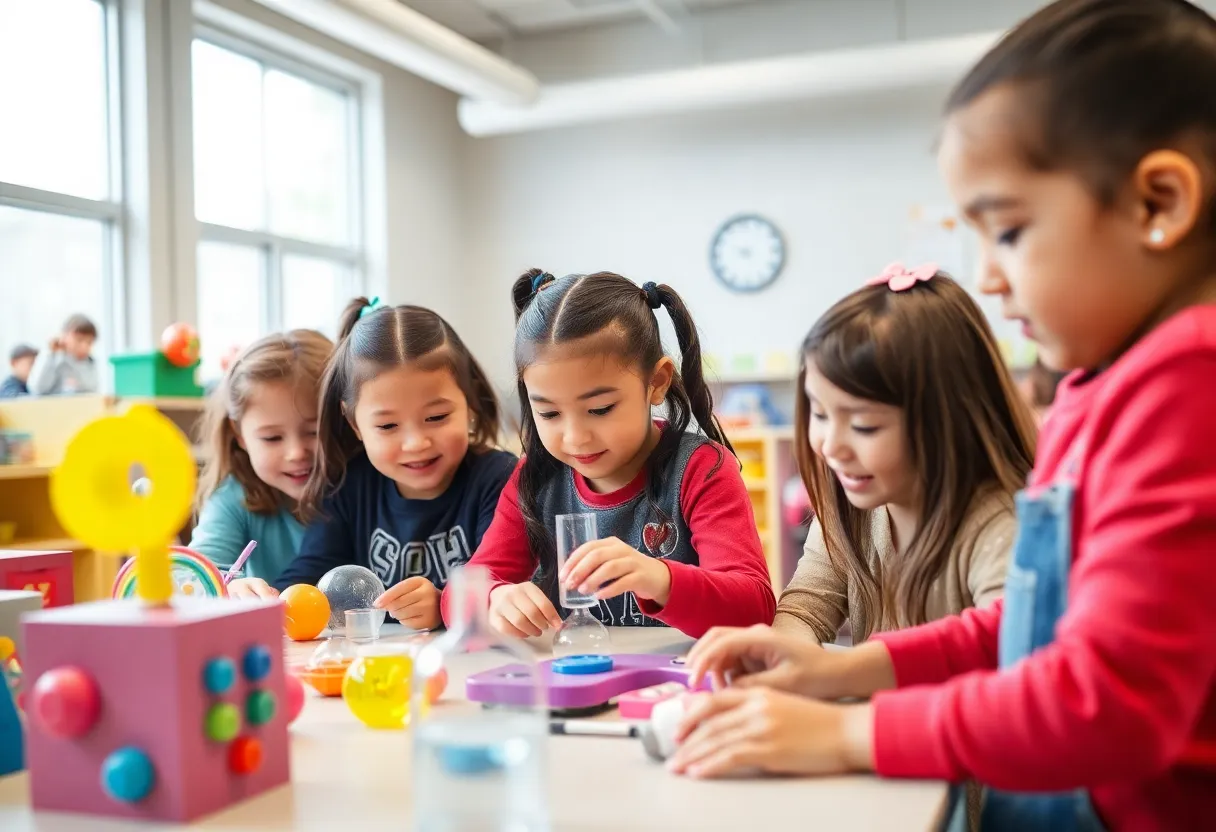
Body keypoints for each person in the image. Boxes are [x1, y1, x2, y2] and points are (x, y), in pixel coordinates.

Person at [668, 2, 1216, 828]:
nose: (989, 279)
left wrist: (850, 734)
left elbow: (1105, 704)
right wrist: (848, 668)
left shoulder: (1187, 383)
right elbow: (1029, 629)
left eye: (1009, 232)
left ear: (1158, 204)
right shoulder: (1098, 384)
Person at [442, 270, 775, 639]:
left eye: (600, 409)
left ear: (657, 382)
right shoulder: (535, 479)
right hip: (571, 683)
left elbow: (755, 607)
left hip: (681, 688)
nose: (575, 437)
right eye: (549, 413)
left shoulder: (700, 469)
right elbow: (458, 594)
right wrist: (494, 596)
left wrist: (658, 578)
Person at [775, 269, 1036, 645]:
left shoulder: (1001, 528)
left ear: (947, 421)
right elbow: (805, 607)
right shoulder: (850, 506)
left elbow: (1003, 658)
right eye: (819, 413)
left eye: (864, 426)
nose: (831, 446)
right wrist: (782, 654)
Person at [273, 297, 516, 631]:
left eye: (437, 416)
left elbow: (508, 584)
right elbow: (307, 578)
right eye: (387, 426)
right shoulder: (346, 485)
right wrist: (266, 599)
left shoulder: (498, 479)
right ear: (354, 423)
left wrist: (445, 605)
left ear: (470, 401)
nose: (416, 443)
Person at [188, 330, 333, 597]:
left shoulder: (366, 490)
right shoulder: (234, 499)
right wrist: (228, 587)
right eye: (272, 437)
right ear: (240, 435)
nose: (295, 453)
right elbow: (192, 577)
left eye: (314, 432)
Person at [28, 314, 98, 395]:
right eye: (79, 340)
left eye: (89, 343)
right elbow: (37, 388)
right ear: (64, 336)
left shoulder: (90, 363)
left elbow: (92, 391)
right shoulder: (53, 358)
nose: (84, 347)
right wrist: (50, 354)